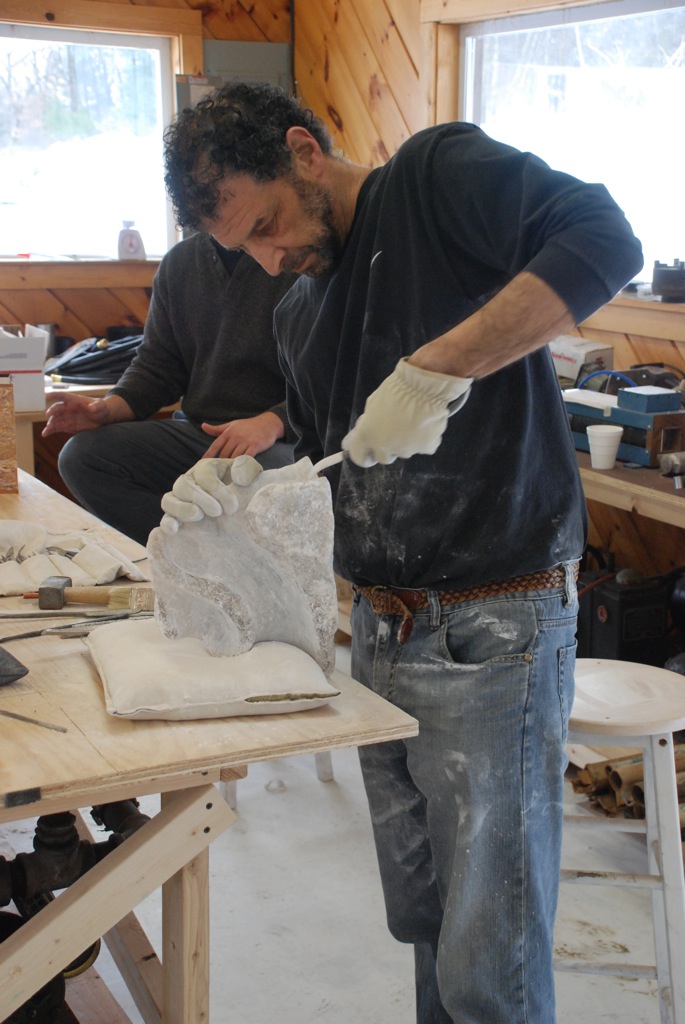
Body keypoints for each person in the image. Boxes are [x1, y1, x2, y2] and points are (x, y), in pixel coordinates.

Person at [159, 83, 643, 1023]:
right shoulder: (300, 310)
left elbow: (602, 238)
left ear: (304, 151)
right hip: (380, 632)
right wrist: (245, 489)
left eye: (267, 224)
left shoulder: (431, 179)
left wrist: (436, 368)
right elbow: (332, 451)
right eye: (243, 249)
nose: (269, 258)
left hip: (493, 623)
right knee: (426, 926)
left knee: (487, 961)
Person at [42, 232, 297, 545]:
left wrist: (273, 421)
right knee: (81, 457)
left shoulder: (296, 252)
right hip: (199, 435)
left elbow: (334, 382)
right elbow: (156, 367)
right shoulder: (180, 262)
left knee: (280, 482)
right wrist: (107, 409)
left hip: (280, 443)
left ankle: (221, 552)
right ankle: (188, 549)